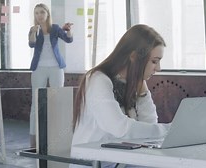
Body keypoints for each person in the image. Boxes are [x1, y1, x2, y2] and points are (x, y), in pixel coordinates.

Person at [70, 24, 170, 168]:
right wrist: (168, 130)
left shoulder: (134, 82)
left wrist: (143, 93)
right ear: (134, 57)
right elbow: (120, 129)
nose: (158, 68)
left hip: (120, 161)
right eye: (154, 61)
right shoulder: (97, 79)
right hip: (94, 163)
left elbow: (149, 128)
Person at [28, 3, 73, 148]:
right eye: (36, 13)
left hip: (56, 68)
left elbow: (68, 39)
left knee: (57, 103)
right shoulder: (33, 30)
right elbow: (32, 44)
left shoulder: (55, 28)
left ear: (47, 14)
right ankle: (33, 143)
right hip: (39, 68)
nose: (39, 16)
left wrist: (69, 31)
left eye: (41, 12)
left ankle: (58, 141)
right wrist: (34, 33)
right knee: (36, 104)